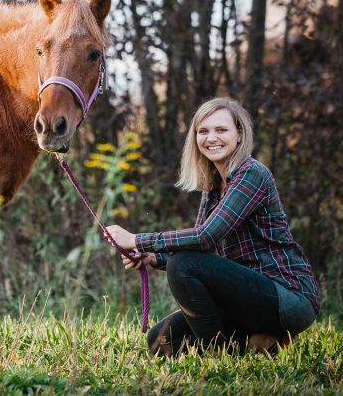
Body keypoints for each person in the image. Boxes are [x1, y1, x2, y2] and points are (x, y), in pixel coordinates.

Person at [106, 97, 320, 356]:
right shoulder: (213, 185)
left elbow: (205, 237)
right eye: (203, 131)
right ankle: (257, 343)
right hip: (246, 297)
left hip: (287, 297)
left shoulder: (252, 174)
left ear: (239, 135)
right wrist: (152, 257)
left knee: (183, 264)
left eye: (221, 130)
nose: (211, 138)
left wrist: (138, 240)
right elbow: (202, 249)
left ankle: (218, 355)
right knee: (160, 341)